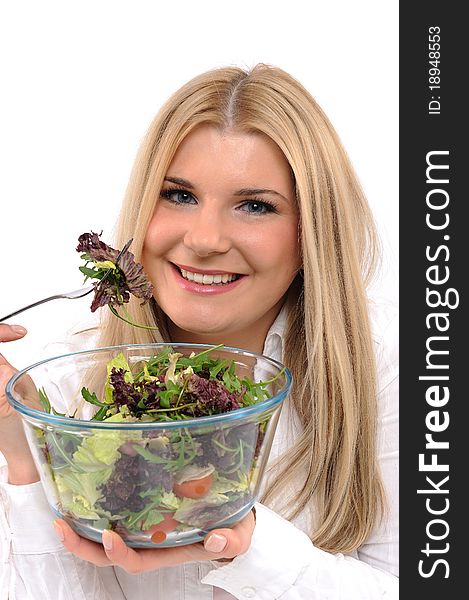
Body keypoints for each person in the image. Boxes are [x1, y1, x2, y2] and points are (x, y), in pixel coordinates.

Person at [0, 64, 398, 599]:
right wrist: (27, 459)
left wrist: (250, 549)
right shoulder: (66, 385)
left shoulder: (387, 368)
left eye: (255, 206)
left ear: (312, 233)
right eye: (179, 195)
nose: (205, 239)